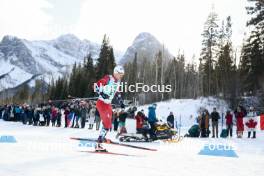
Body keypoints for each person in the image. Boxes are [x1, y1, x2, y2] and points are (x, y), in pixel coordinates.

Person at [94, 65, 125, 151]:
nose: (121, 76)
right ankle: (98, 144)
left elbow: (117, 92)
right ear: (115, 73)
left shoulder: (118, 82)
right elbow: (96, 86)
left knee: (108, 123)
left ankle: (102, 136)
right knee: (107, 124)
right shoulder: (108, 78)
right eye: (120, 74)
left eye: (122, 75)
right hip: (102, 103)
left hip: (108, 105)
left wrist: (121, 102)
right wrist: (102, 93)